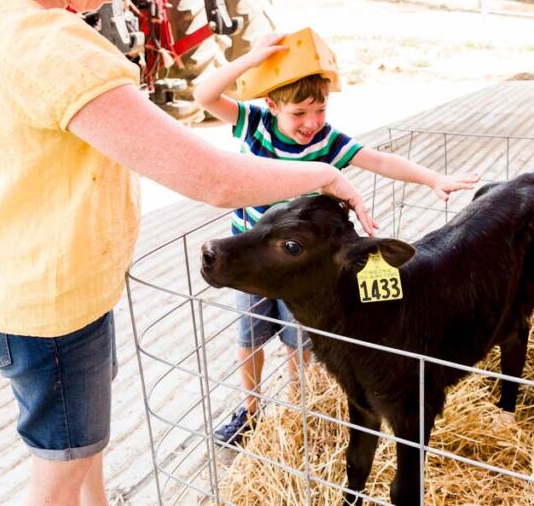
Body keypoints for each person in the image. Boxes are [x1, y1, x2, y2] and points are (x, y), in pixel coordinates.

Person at [0, 0, 375, 506]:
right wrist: (322, 176)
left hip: (4, 284)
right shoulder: (57, 48)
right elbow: (213, 179)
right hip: (56, 305)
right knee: (56, 472)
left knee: (81, 444)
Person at [193, 34, 480, 446]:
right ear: (272, 106)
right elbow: (204, 95)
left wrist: (432, 177)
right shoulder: (253, 124)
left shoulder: (326, 141)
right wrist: (250, 60)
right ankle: (251, 408)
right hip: (253, 261)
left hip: (303, 269)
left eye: (320, 108)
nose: (312, 121)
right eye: (299, 112)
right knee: (249, 335)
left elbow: (379, 160)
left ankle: (300, 406)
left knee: (300, 340)